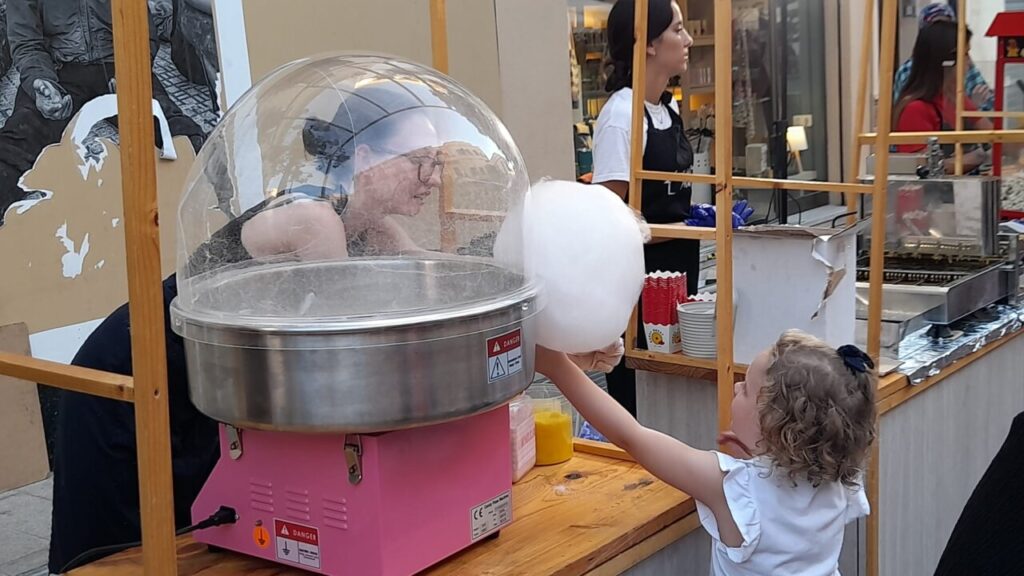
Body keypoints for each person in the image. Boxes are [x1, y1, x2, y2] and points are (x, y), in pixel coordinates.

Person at [46, 81, 446, 572]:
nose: (433, 178)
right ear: (364, 156)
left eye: (438, 162)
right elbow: (351, 344)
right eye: (419, 159)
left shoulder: (369, 221)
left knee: (198, 532)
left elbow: (440, 280)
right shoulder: (315, 220)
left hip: (211, 379)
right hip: (141, 369)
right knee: (128, 549)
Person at [535, 330, 877, 575]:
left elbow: (632, 437)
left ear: (772, 426)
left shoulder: (731, 487)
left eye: (746, 389)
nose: (737, 387)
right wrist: (754, 453)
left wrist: (557, 366)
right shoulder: (840, 479)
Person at [592, 0, 748, 416]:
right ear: (647, 44)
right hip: (637, 283)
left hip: (681, 271)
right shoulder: (621, 116)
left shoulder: (669, 108)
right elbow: (607, 218)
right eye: (678, 30)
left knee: (674, 393)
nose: (689, 40)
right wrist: (676, 228)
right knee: (640, 397)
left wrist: (699, 219)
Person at [0, 0, 207, 225]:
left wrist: (132, 68)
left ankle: (216, 209)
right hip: (57, 69)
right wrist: (40, 81)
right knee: (18, 139)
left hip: (118, 64)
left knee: (174, 130)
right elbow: (26, 41)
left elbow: (141, 29)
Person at [894, 20, 994, 174]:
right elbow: (922, 169)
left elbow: (992, 135)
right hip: (933, 195)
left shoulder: (956, 98)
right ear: (947, 60)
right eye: (965, 54)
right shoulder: (915, 109)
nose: (970, 63)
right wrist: (978, 157)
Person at [892, 3, 994, 112]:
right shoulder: (907, 71)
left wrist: (974, 108)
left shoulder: (966, 65)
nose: (942, 34)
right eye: (936, 29)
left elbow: (988, 103)